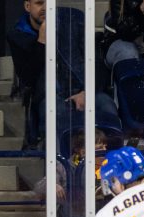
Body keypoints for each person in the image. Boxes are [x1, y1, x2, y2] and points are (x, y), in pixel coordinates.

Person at [7, 0, 119, 149]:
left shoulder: (73, 22)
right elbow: (29, 78)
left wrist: (86, 92)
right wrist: (41, 42)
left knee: (106, 104)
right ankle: (60, 168)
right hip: (50, 95)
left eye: (49, 3)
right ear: (28, 6)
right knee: (55, 111)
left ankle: (113, 162)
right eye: (39, 3)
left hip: (83, 89)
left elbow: (96, 63)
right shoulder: (18, 35)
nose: (45, 8)